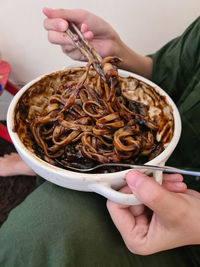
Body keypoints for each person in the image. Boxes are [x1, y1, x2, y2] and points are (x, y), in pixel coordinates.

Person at [0, 7, 199, 267]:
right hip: (149, 169)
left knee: (38, 231)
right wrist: (118, 53)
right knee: (51, 156)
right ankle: (38, 164)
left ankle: (39, 166)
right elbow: (169, 72)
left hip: (185, 223)